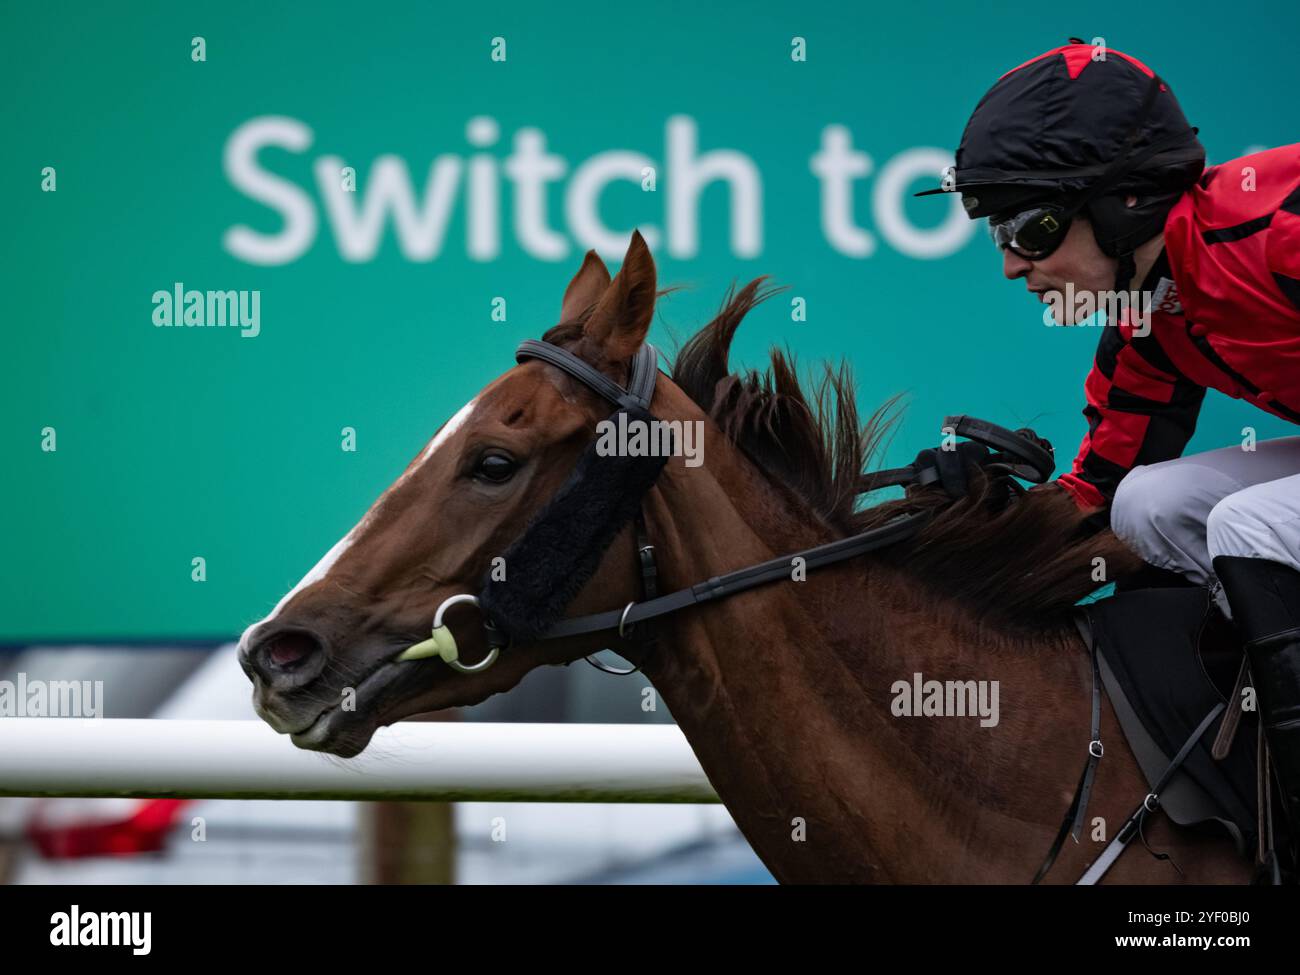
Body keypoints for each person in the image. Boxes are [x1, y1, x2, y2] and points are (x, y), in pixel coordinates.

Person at [918, 38, 1300, 847]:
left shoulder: (1275, 232)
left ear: (1125, 201)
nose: (1014, 268)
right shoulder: (1152, 315)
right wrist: (980, 515)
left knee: (1248, 525)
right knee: (1148, 505)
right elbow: (1096, 496)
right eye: (999, 236)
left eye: (1033, 227)